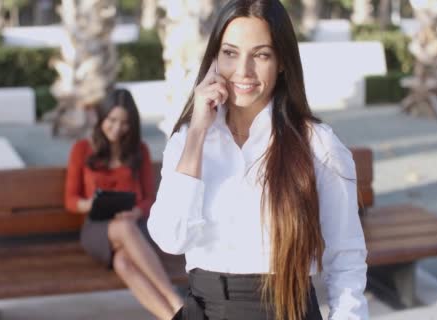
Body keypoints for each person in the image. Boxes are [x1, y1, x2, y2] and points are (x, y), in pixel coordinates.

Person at [147, 1, 369, 319]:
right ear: (213, 58)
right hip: (204, 310)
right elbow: (171, 239)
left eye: (261, 55)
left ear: (281, 61)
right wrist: (197, 132)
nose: (243, 71)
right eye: (230, 53)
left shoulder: (317, 145)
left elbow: (346, 258)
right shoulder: (187, 141)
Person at [64, 88, 183, 320]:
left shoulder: (140, 151)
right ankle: (175, 300)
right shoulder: (82, 149)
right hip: (97, 227)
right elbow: (70, 200)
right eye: (112, 120)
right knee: (123, 230)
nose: (117, 128)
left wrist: (136, 211)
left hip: (134, 225)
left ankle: (172, 318)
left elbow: (150, 198)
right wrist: (93, 204)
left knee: (123, 264)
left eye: (125, 123)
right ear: (101, 117)